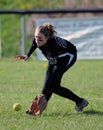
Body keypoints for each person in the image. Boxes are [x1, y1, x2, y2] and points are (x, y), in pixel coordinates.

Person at [21, 23, 89, 114]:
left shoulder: (53, 46)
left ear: (47, 37)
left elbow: (54, 65)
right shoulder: (38, 39)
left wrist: (43, 98)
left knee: (51, 83)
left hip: (68, 56)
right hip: (55, 58)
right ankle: (80, 101)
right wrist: (27, 55)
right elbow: (34, 44)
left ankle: (38, 108)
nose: (37, 40)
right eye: (36, 37)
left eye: (40, 39)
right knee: (53, 86)